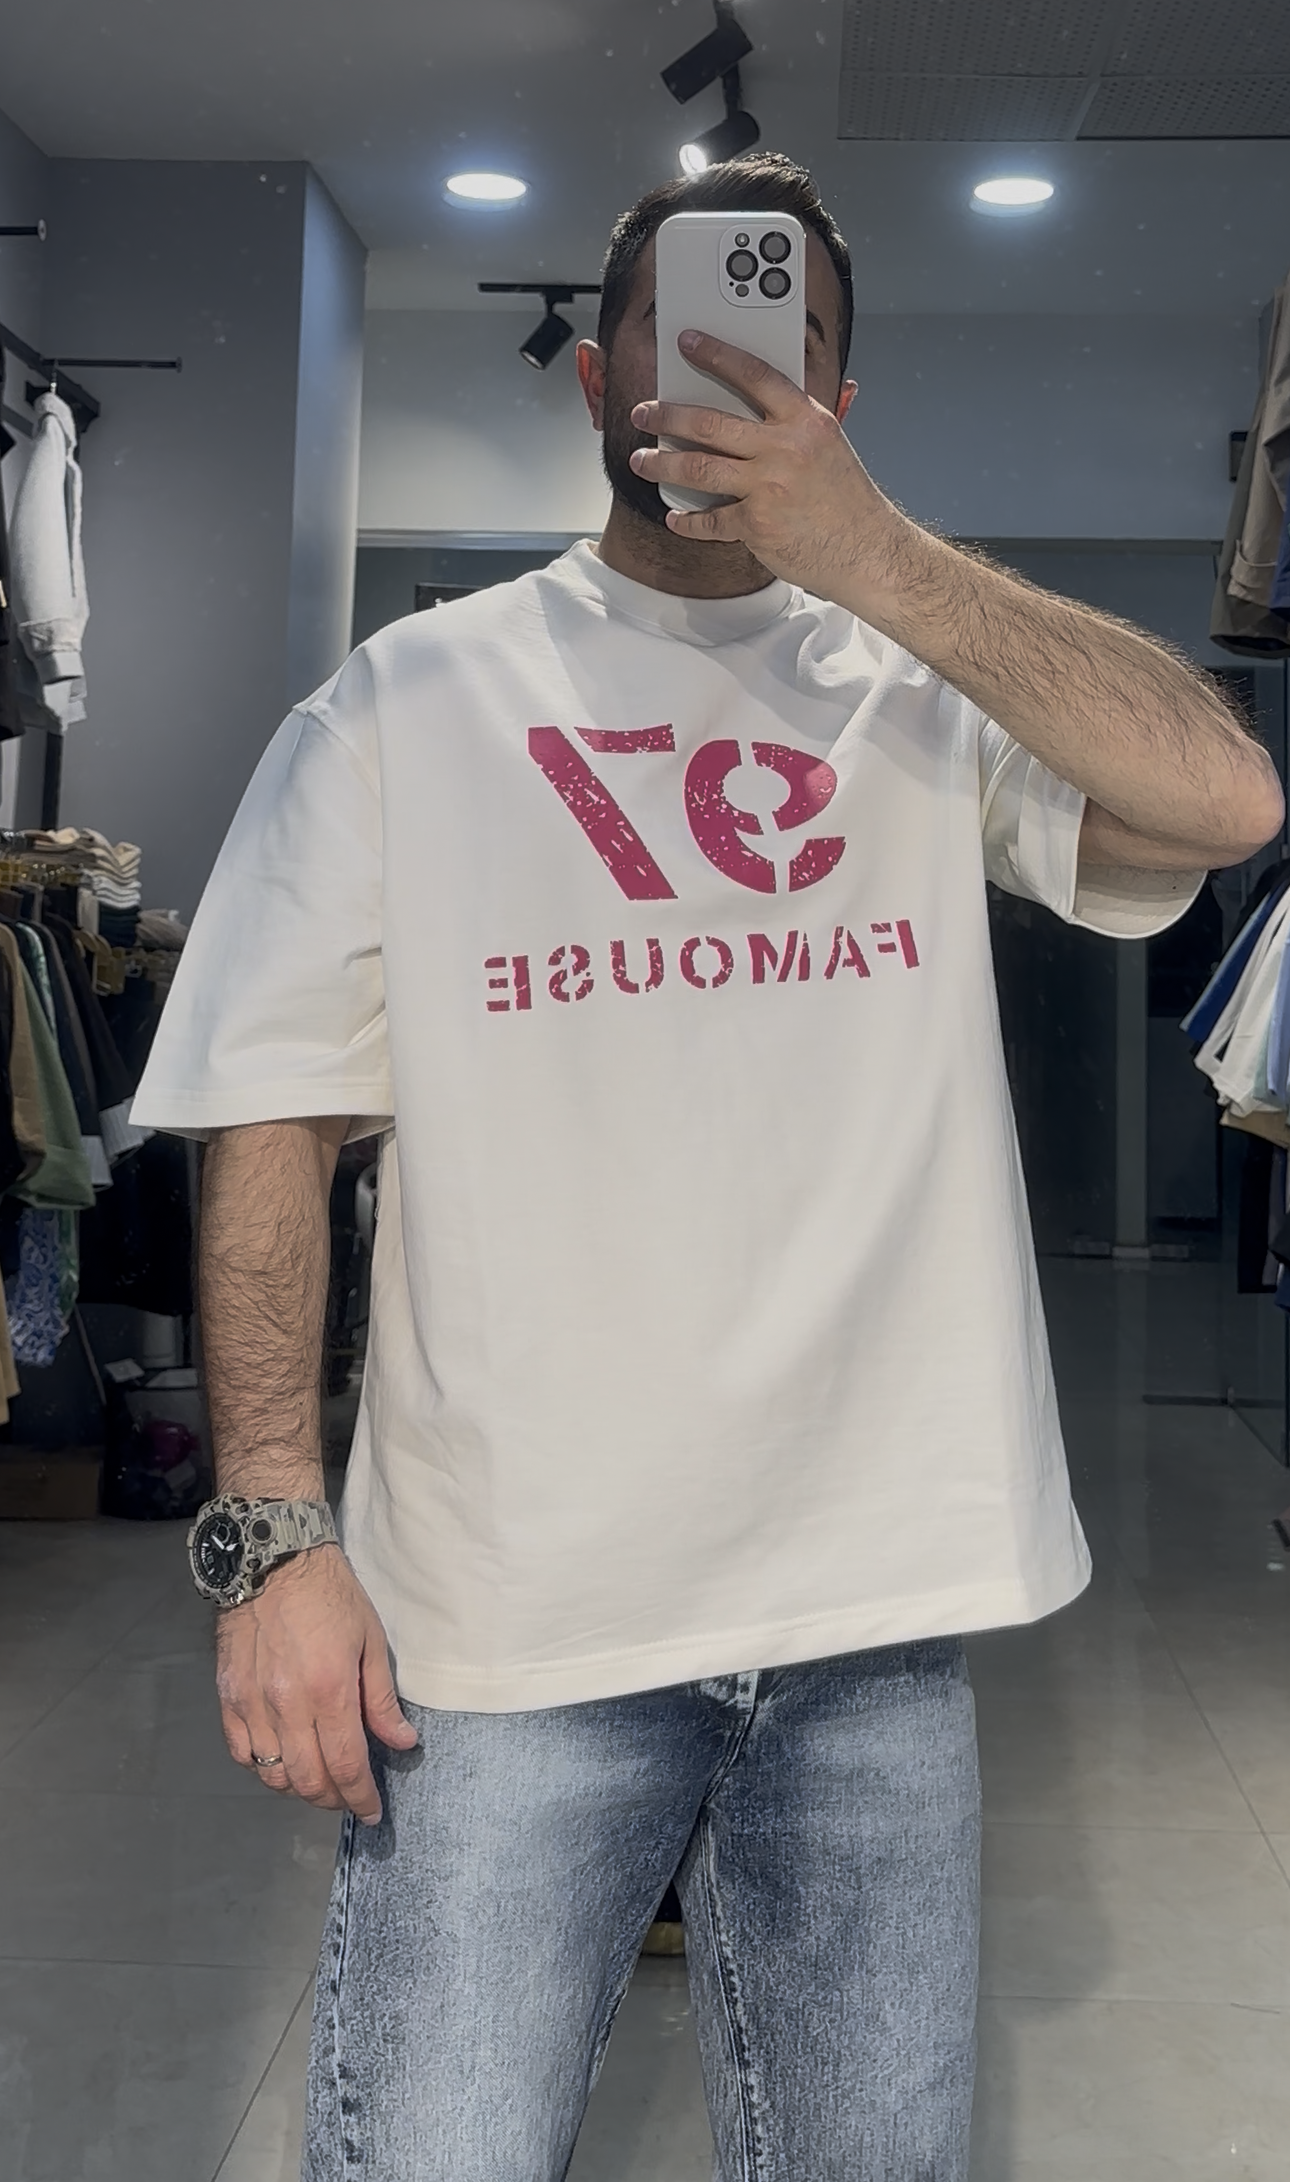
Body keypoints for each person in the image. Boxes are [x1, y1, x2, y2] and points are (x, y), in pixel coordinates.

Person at [133, 153, 1281, 2182]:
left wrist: (879, 557)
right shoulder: (408, 701)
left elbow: (1225, 798)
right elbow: (270, 1120)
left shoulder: (922, 688)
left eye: (783, 351)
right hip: (506, 1626)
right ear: (597, 380)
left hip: (874, 1614)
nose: (725, 380)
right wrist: (273, 1539)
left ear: (836, 401)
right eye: (673, 338)